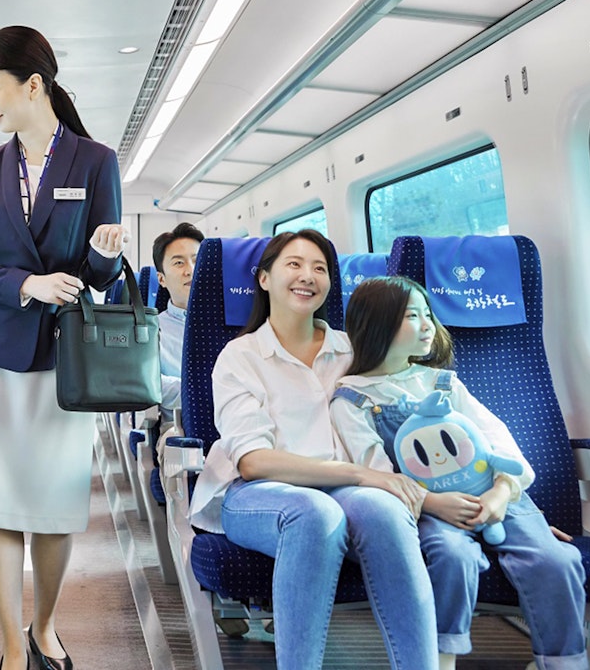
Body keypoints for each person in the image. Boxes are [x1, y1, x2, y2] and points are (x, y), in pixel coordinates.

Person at [0, 24, 126, 670]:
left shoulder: (96, 161)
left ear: (34, 85)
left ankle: (45, 627)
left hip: (64, 359)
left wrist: (106, 259)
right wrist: (26, 282)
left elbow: (102, 274)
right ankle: (9, 647)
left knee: (54, 506)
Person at [187, 229, 438, 670]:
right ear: (263, 279)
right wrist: (362, 476)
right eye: (294, 264)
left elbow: (425, 410)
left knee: (385, 510)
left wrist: (506, 502)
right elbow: (253, 462)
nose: (308, 276)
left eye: (319, 268)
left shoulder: (355, 351)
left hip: (343, 489)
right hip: (258, 494)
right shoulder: (240, 356)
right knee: (314, 512)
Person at [331, 276, 587, 670]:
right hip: (429, 506)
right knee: (451, 556)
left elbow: (497, 438)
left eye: (427, 314)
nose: (427, 324)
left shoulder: (443, 382)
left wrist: (502, 492)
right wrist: (433, 503)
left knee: (558, 560)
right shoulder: (353, 398)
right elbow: (377, 474)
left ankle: (560, 661)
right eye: (411, 316)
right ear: (376, 324)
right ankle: (441, 655)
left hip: (496, 491)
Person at [153, 222, 203, 412]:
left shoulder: (233, 324)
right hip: (179, 428)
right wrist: (207, 391)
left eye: (197, 260)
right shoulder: (152, 330)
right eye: (179, 263)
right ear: (161, 279)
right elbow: (154, 385)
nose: (191, 270)